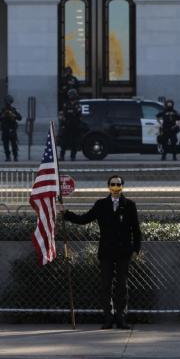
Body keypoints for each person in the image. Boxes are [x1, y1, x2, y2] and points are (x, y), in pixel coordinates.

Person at [61, 174, 142, 330]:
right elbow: (84, 219)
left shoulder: (130, 205)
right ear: (108, 187)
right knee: (105, 285)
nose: (115, 187)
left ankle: (120, 317)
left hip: (123, 252)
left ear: (122, 186)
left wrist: (135, 249)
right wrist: (67, 215)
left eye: (118, 184)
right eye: (113, 184)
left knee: (122, 286)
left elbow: (136, 230)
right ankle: (108, 317)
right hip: (106, 252)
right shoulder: (101, 204)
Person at [59, 88, 83, 161]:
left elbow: (78, 114)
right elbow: (63, 114)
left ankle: (73, 156)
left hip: (75, 126)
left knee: (74, 142)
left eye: (72, 94)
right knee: (64, 142)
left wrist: (71, 113)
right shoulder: (66, 104)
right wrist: (62, 123)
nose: (70, 96)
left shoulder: (78, 104)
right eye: (69, 94)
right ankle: (62, 156)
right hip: (66, 125)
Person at [0, 95, 22, 162]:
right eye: (7, 103)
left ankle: (15, 157)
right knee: (6, 145)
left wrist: (13, 115)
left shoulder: (13, 110)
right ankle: (8, 157)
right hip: (5, 130)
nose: (8, 104)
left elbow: (20, 118)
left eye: (9, 102)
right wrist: (3, 115)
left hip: (12, 130)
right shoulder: (3, 110)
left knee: (14, 145)